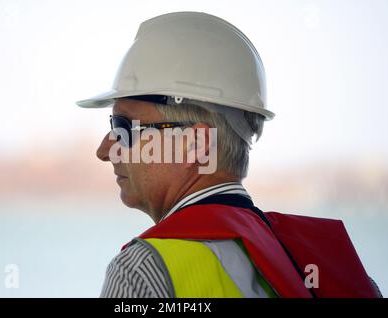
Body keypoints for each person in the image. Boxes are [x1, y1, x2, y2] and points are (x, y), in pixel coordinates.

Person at [76, 12, 381, 298]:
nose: (105, 150)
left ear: (195, 145)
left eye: (123, 127)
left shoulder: (142, 271)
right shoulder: (331, 265)